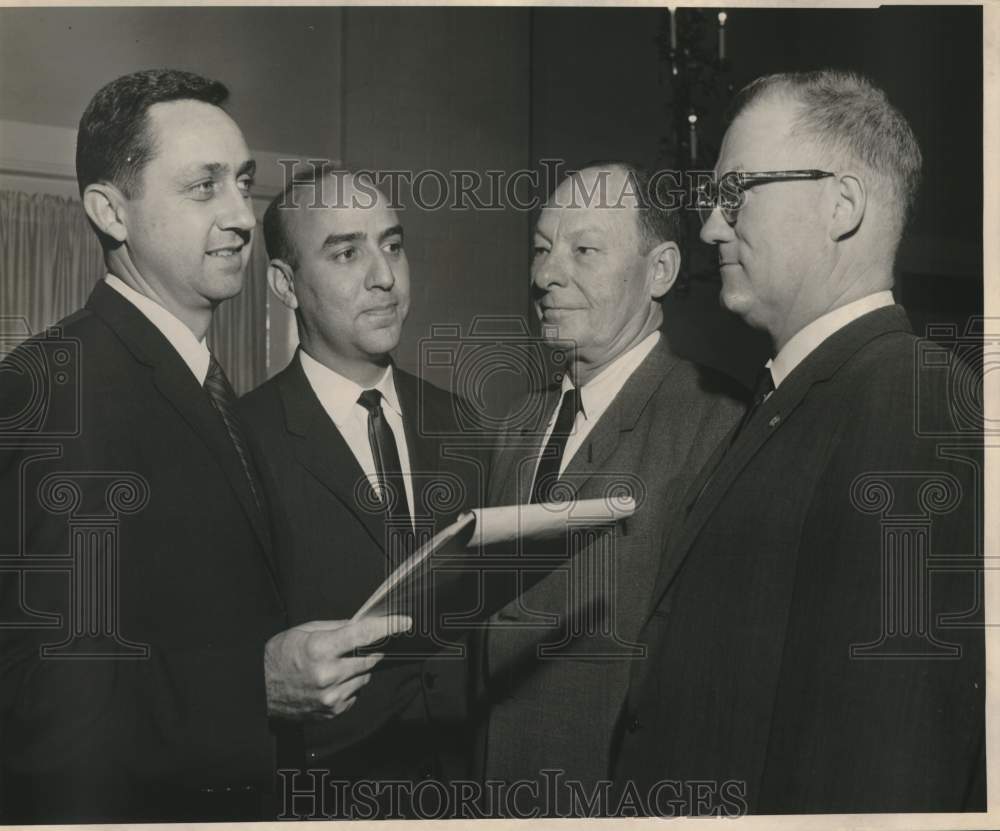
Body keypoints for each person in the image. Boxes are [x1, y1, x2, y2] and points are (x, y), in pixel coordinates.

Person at [0, 70, 407, 824]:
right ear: (109, 211)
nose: (242, 216)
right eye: (203, 186)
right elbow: (38, 696)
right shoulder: (62, 385)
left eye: (243, 181)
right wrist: (252, 684)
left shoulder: (198, 380)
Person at [613, 70, 984, 814]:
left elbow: (886, 752)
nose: (712, 226)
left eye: (736, 192)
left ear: (841, 205)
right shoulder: (799, 393)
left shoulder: (911, 401)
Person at [474, 162, 744, 815]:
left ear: (661, 271)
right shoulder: (513, 427)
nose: (544, 275)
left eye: (584, 250)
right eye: (541, 249)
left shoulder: (720, 424)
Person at [236, 165, 479, 817]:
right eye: (347, 252)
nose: (385, 277)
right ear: (286, 284)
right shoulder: (239, 441)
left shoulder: (465, 426)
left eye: (393, 245)